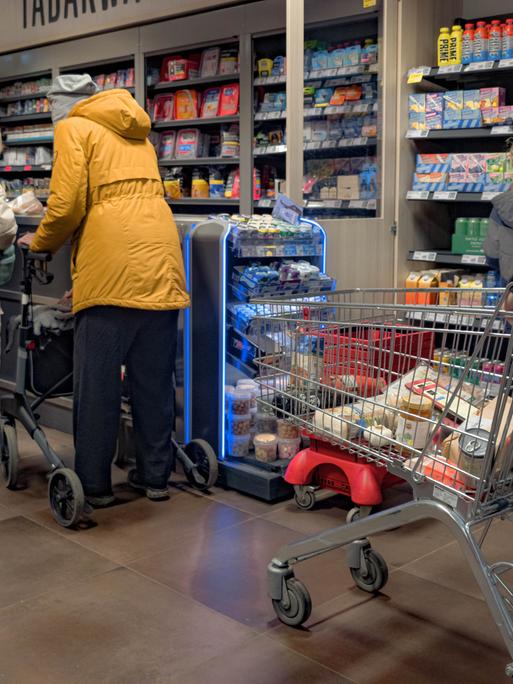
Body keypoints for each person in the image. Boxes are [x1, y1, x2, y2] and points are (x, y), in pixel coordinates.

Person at [18, 74, 190, 508]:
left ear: (64, 104)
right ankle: (155, 478)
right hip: (162, 262)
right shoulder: (139, 135)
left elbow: (67, 203)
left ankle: (93, 485)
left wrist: (40, 244)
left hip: (112, 267)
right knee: (153, 381)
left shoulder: (75, 128)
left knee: (98, 385)